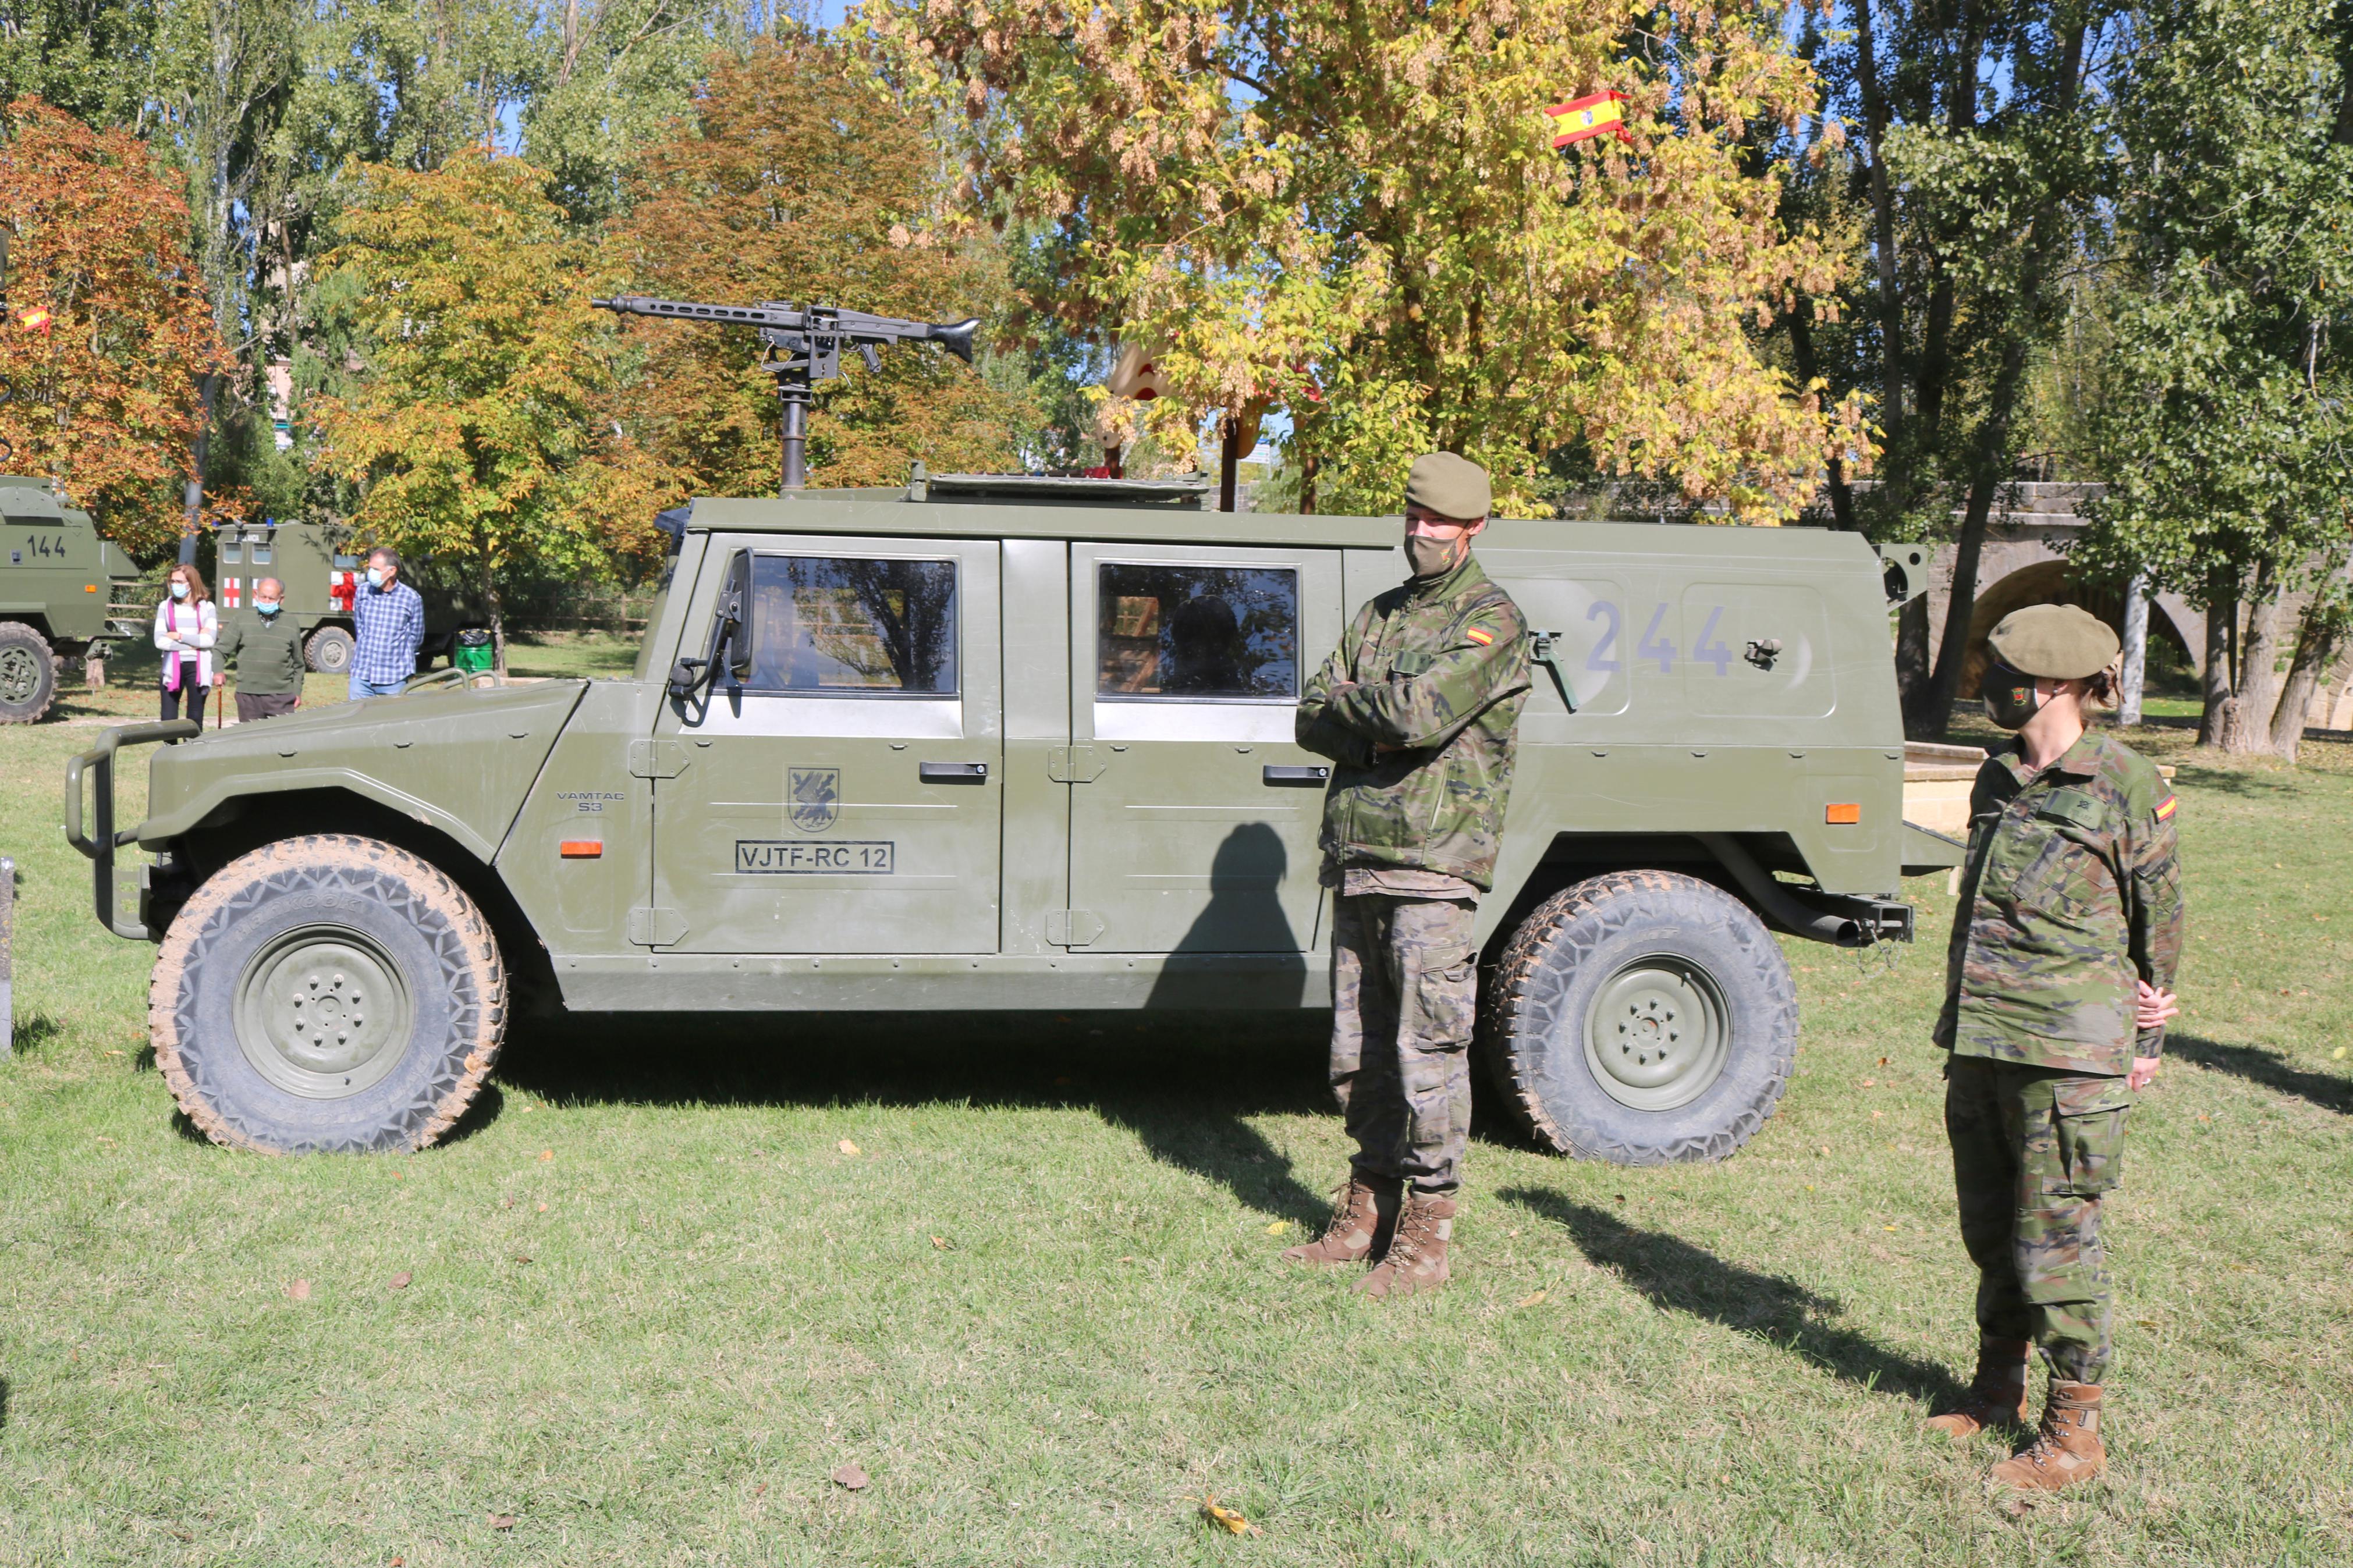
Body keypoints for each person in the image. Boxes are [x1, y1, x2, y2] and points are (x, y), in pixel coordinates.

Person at [1926, 602, 2184, 1491]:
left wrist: (2147, 1034)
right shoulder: (1995, 775)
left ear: (2059, 683)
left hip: (2070, 1048)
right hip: (1982, 1033)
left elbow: (2161, 919)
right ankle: (1994, 1384)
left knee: (2056, 1239)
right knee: (1990, 1223)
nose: (1989, 686)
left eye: (2004, 673)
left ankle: (2073, 1433)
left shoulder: (2122, 780)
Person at [1283, 451, 1531, 1298]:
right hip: (1358, 860)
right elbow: (1308, 715)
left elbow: (1414, 712)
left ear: (1472, 530)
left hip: (1432, 865)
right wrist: (1370, 719)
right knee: (1358, 1053)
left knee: (1425, 1051)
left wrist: (1367, 709)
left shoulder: (1491, 620)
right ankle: (1366, 1209)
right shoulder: (1379, 612)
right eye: (1412, 518)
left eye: (1437, 524)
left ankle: (1426, 1236)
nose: (1419, 534)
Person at [214, 575, 306, 723]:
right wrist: (218, 671)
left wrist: (297, 692)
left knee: (280, 744)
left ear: (281, 599)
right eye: (263, 597)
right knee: (250, 742)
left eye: (271, 598)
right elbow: (221, 650)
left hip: (281, 697)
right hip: (248, 696)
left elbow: (299, 664)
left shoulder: (291, 623)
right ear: (255, 595)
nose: (267, 602)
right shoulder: (242, 619)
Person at [349, 546, 424, 701]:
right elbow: (360, 627)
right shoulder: (363, 592)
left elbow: (416, 637)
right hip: (362, 675)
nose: (371, 573)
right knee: (357, 722)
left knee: (392, 723)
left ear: (392, 571)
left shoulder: (411, 598)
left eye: (376, 569)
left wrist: (397, 654)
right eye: (370, 568)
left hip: (394, 677)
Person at [153, 562, 218, 727]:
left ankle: (192, 748)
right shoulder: (165, 607)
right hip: (171, 666)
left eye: (180, 582)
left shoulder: (207, 608)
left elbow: (209, 640)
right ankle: (170, 750)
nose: (175, 586)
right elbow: (160, 641)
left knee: (195, 716)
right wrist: (192, 643)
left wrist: (179, 636)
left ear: (192, 582)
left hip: (198, 666)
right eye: (172, 582)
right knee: (168, 717)